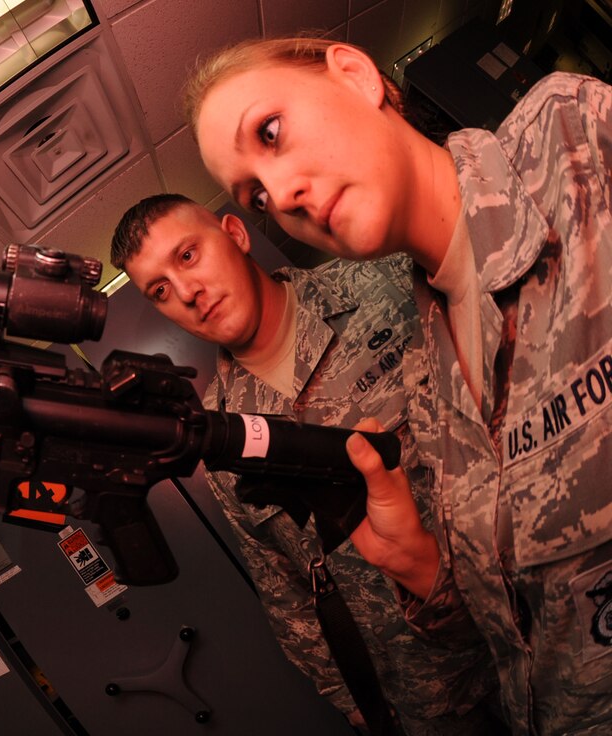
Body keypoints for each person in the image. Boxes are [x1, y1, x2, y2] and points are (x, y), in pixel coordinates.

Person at [182, 36, 612, 735]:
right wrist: (420, 566)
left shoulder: (568, 141)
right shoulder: (432, 357)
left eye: (271, 132)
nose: (282, 193)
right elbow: (517, 622)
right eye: (257, 194)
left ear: (354, 75)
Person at [110, 193, 503, 734]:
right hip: (433, 692)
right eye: (160, 290)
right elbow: (283, 587)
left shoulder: (382, 285)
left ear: (236, 234)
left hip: (529, 606)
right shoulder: (217, 437)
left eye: (187, 256)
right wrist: (355, 704)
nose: (188, 293)